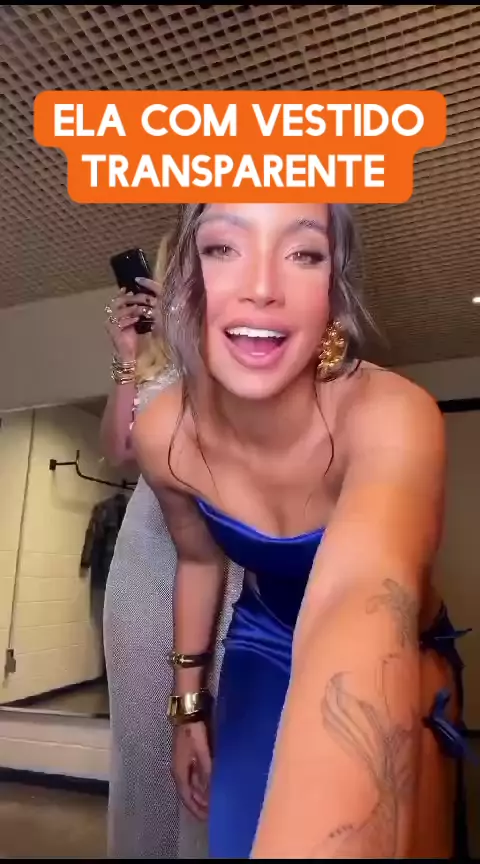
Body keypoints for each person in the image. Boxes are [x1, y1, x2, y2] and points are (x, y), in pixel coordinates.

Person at [132, 201, 470, 860]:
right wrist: (188, 708)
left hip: (400, 651)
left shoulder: (392, 414)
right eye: (223, 248)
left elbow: (358, 594)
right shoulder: (162, 434)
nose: (262, 286)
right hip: (262, 643)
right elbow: (199, 561)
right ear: (186, 285)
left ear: (335, 295)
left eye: (304, 253)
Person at [100, 235, 243, 859]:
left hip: (218, 560)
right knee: (144, 740)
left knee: (216, 734)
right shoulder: (154, 364)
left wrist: (193, 337)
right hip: (141, 564)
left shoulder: (242, 350)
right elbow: (119, 451)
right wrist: (127, 358)